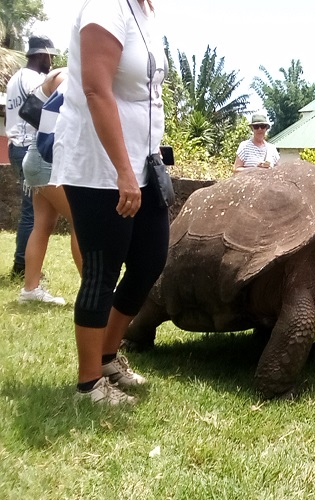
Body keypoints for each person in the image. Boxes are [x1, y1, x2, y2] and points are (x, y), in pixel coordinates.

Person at [51, 0, 170, 405]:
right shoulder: (105, 7)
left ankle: (106, 357)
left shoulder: (146, 13)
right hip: (100, 165)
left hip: (143, 162)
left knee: (150, 258)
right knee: (103, 268)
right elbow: (95, 89)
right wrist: (123, 170)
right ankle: (89, 383)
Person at [19, 68, 82, 305]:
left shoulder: (58, 75)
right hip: (47, 162)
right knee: (81, 221)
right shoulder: (65, 79)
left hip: (37, 159)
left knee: (43, 226)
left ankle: (30, 290)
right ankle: (93, 287)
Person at [4, 35, 59, 278]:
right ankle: (22, 266)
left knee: (32, 210)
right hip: (29, 147)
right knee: (32, 213)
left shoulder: (15, 79)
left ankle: (24, 264)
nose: (51, 62)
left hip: (14, 146)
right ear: (42, 55)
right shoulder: (36, 80)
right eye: (50, 57)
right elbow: (38, 114)